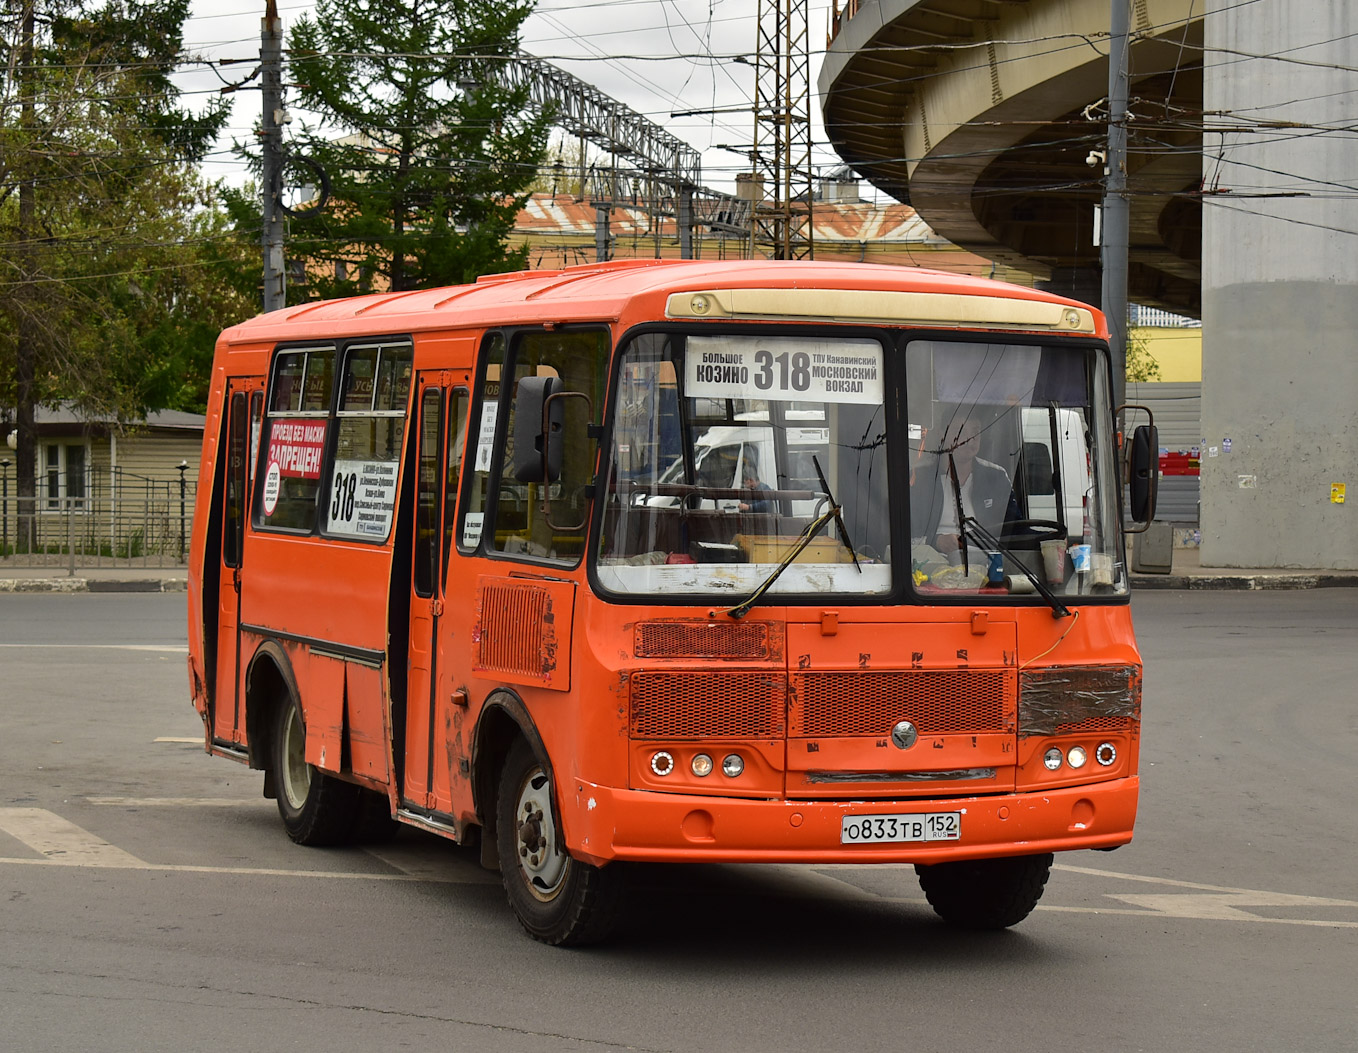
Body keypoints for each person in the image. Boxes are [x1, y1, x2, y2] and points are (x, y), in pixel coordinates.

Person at [913, 419, 1018, 561]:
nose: (969, 439)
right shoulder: (918, 477)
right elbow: (900, 533)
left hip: (985, 566)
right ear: (941, 433)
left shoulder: (996, 476)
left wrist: (1050, 537)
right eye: (959, 431)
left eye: (975, 432)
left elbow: (1016, 528)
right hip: (928, 567)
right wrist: (936, 541)